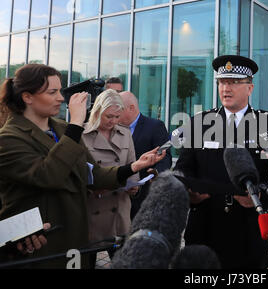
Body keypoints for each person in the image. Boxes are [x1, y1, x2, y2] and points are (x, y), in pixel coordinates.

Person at [0, 64, 166, 268]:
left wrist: (133, 167)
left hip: (76, 241)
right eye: (53, 92)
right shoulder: (9, 138)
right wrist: (77, 123)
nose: (61, 98)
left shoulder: (61, 128)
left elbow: (93, 174)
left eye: (60, 91)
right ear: (27, 97)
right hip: (40, 249)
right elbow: (48, 175)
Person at [174, 55, 268, 269]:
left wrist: (261, 195)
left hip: (249, 230)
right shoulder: (199, 122)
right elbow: (183, 169)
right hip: (205, 227)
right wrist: (188, 194)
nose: (225, 88)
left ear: (250, 88)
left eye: (233, 82)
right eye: (222, 82)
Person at [81, 89, 139, 262]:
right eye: (109, 116)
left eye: (117, 116)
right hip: (92, 210)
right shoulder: (82, 134)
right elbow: (76, 174)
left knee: (123, 263)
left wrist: (134, 185)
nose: (113, 121)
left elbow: (132, 165)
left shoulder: (125, 133)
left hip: (119, 210)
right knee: (87, 262)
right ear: (97, 111)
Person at [118, 91, 172, 219]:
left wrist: (156, 173)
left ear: (131, 108)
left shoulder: (155, 126)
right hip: (117, 198)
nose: (115, 112)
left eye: (119, 108)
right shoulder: (114, 128)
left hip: (142, 200)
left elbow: (165, 157)